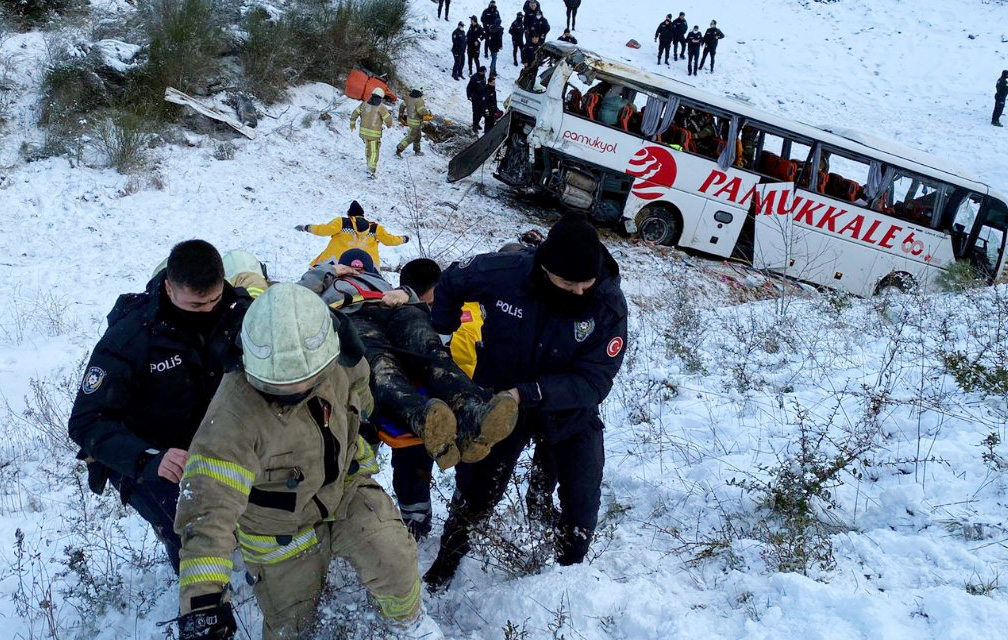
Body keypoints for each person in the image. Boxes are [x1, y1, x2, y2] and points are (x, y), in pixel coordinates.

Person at [172, 283, 444, 640]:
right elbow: (207, 511)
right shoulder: (230, 419)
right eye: (280, 388)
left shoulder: (343, 357)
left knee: (395, 560)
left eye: (306, 383)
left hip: (345, 491)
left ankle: (409, 624)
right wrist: (203, 605)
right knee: (291, 628)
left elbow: (362, 397)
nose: (296, 393)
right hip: (278, 529)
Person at [422, 214, 629, 592]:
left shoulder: (606, 304)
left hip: (567, 410)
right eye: (570, 282)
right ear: (546, 267)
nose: (581, 291)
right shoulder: (506, 272)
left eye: (588, 282)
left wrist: (532, 393)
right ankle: (448, 558)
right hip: (501, 402)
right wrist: (443, 324)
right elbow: (452, 279)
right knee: (476, 490)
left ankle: (565, 581)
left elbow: (594, 381)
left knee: (582, 501)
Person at [68, 240, 252, 574]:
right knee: (192, 527)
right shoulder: (131, 336)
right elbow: (85, 422)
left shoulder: (238, 311)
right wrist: (147, 458)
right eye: (196, 305)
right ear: (169, 287)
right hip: (154, 454)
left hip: (221, 439)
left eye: (214, 299)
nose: (209, 311)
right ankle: (199, 595)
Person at [298, 249, 519, 469]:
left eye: (361, 267)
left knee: (431, 353)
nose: (356, 270)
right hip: (350, 316)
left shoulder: (378, 281)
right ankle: (424, 419)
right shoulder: (326, 281)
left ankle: (474, 410)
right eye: (350, 266)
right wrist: (328, 270)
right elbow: (299, 295)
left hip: (396, 311)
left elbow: (414, 296)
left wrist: (405, 293)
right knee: (381, 367)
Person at [295, 199, 408, 269]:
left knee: (314, 278)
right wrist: (404, 239)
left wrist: (307, 227)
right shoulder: (374, 228)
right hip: (367, 265)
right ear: (362, 215)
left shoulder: (342, 222)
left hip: (335, 262)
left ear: (350, 215)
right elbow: (390, 241)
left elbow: (324, 230)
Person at [349, 87, 393, 177]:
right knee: (374, 151)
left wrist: (352, 123)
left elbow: (354, 113)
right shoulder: (381, 107)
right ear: (381, 97)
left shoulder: (364, 104)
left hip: (363, 133)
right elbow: (388, 120)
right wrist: (389, 125)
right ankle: (371, 170)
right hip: (374, 134)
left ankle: (368, 164)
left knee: (367, 149)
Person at [396, 86, 431, 157]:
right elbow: (421, 112)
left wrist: (400, 116)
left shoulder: (409, 97)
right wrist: (427, 113)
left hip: (410, 120)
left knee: (418, 136)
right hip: (416, 122)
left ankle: (417, 151)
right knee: (411, 137)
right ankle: (399, 148)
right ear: (420, 91)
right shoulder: (419, 100)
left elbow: (402, 106)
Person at [467, 66, 488, 133]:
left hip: (482, 97)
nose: (485, 73)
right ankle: (474, 126)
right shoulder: (474, 78)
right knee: (476, 112)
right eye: (484, 72)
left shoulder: (484, 77)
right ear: (480, 71)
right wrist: (469, 96)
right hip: (475, 98)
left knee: (481, 112)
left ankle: (477, 122)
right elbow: (469, 87)